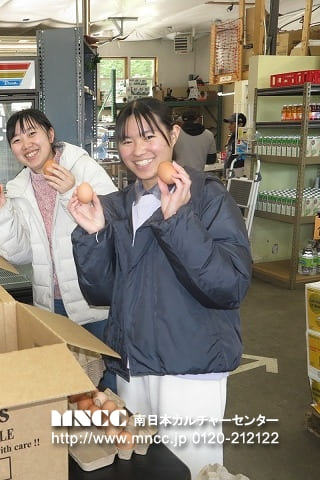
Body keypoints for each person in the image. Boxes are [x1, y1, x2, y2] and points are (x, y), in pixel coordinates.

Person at [67, 97, 252, 477]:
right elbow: (102, 293)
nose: (138, 150)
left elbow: (230, 286)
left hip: (188, 368)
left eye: (149, 136)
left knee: (192, 469)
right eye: (127, 140)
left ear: (174, 134)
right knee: (139, 468)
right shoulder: (118, 206)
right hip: (134, 367)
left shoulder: (207, 197)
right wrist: (95, 236)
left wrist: (179, 220)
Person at [0, 108, 118, 391]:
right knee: (66, 389)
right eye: (17, 140)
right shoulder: (18, 188)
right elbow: (20, 255)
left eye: (32, 133)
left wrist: (70, 191)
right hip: (51, 304)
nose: (26, 144)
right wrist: (1, 213)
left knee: (108, 386)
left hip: (94, 303)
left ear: (51, 134)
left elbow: (114, 224)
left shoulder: (83, 168)